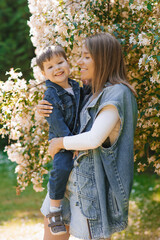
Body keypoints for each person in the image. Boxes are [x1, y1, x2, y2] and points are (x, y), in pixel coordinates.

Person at [37, 33, 138, 240]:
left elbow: (94, 138)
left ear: (102, 59)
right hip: (65, 182)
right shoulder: (91, 91)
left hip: (90, 191)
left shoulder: (118, 93)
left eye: (86, 56)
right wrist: (45, 109)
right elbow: (68, 117)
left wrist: (59, 142)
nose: (79, 61)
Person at [36, 45, 90, 235]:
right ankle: (55, 210)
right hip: (61, 140)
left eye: (60, 62)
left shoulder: (76, 86)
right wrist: (69, 143)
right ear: (43, 73)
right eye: (50, 67)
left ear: (68, 62)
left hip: (75, 137)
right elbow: (57, 122)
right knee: (62, 168)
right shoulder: (51, 94)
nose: (57, 68)